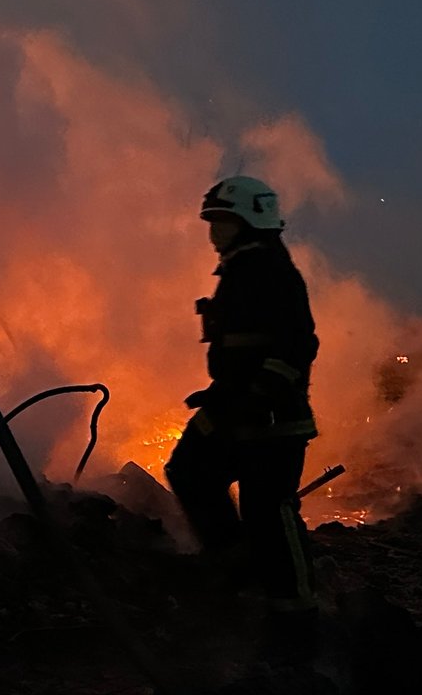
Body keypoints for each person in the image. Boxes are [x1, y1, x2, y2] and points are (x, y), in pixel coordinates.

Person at [164, 175, 320, 656]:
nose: (214, 232)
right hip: (238, 410)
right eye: (212, 222)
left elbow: (297, 344)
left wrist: (257, 394)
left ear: (252, 220)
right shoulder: (242, 270)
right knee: (189, 469)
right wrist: (218, 396)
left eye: (223, 221)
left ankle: (295, 619)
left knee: (270, 511)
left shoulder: (270, 270)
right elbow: (243, 350)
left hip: (272, 420)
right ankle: (236, 561)